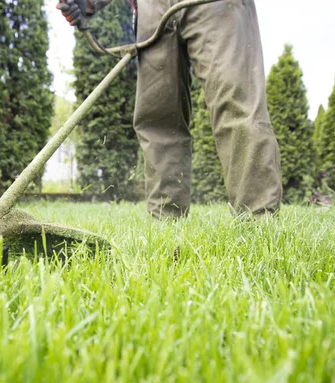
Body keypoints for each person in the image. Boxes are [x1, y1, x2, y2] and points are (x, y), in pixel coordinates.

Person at [57, 0, 282, 219]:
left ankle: (258, 221)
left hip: (217, 6)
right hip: (152, 8)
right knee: (158, 117)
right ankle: (166, 223)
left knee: (235, 103)